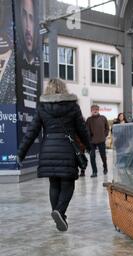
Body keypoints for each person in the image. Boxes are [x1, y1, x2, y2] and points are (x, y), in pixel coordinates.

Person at [17, 79, 91, 232]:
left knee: (54, 184)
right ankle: (60, 212)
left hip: (48, 149)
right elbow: (82, 130)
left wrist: (21, 153)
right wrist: (89, 146)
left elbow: (31, 132)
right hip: (67, 149)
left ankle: (59, 215)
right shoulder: (73, 106)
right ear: (64, 89)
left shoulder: (42, 107)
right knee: (68, 183)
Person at [86, 105, 110, 178]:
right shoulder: (89, 119)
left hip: (101, 140)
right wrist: (89, 138)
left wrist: (104, 135)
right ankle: (94, 171)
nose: (95, 110)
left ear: (98, 110)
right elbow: (86, 130)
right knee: (92, 156)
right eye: (93, 109)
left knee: (103, 156)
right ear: (91, 111)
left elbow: (107, 128)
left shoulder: (103, 118)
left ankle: (105, 167)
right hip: (92, 141)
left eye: (96, 109)